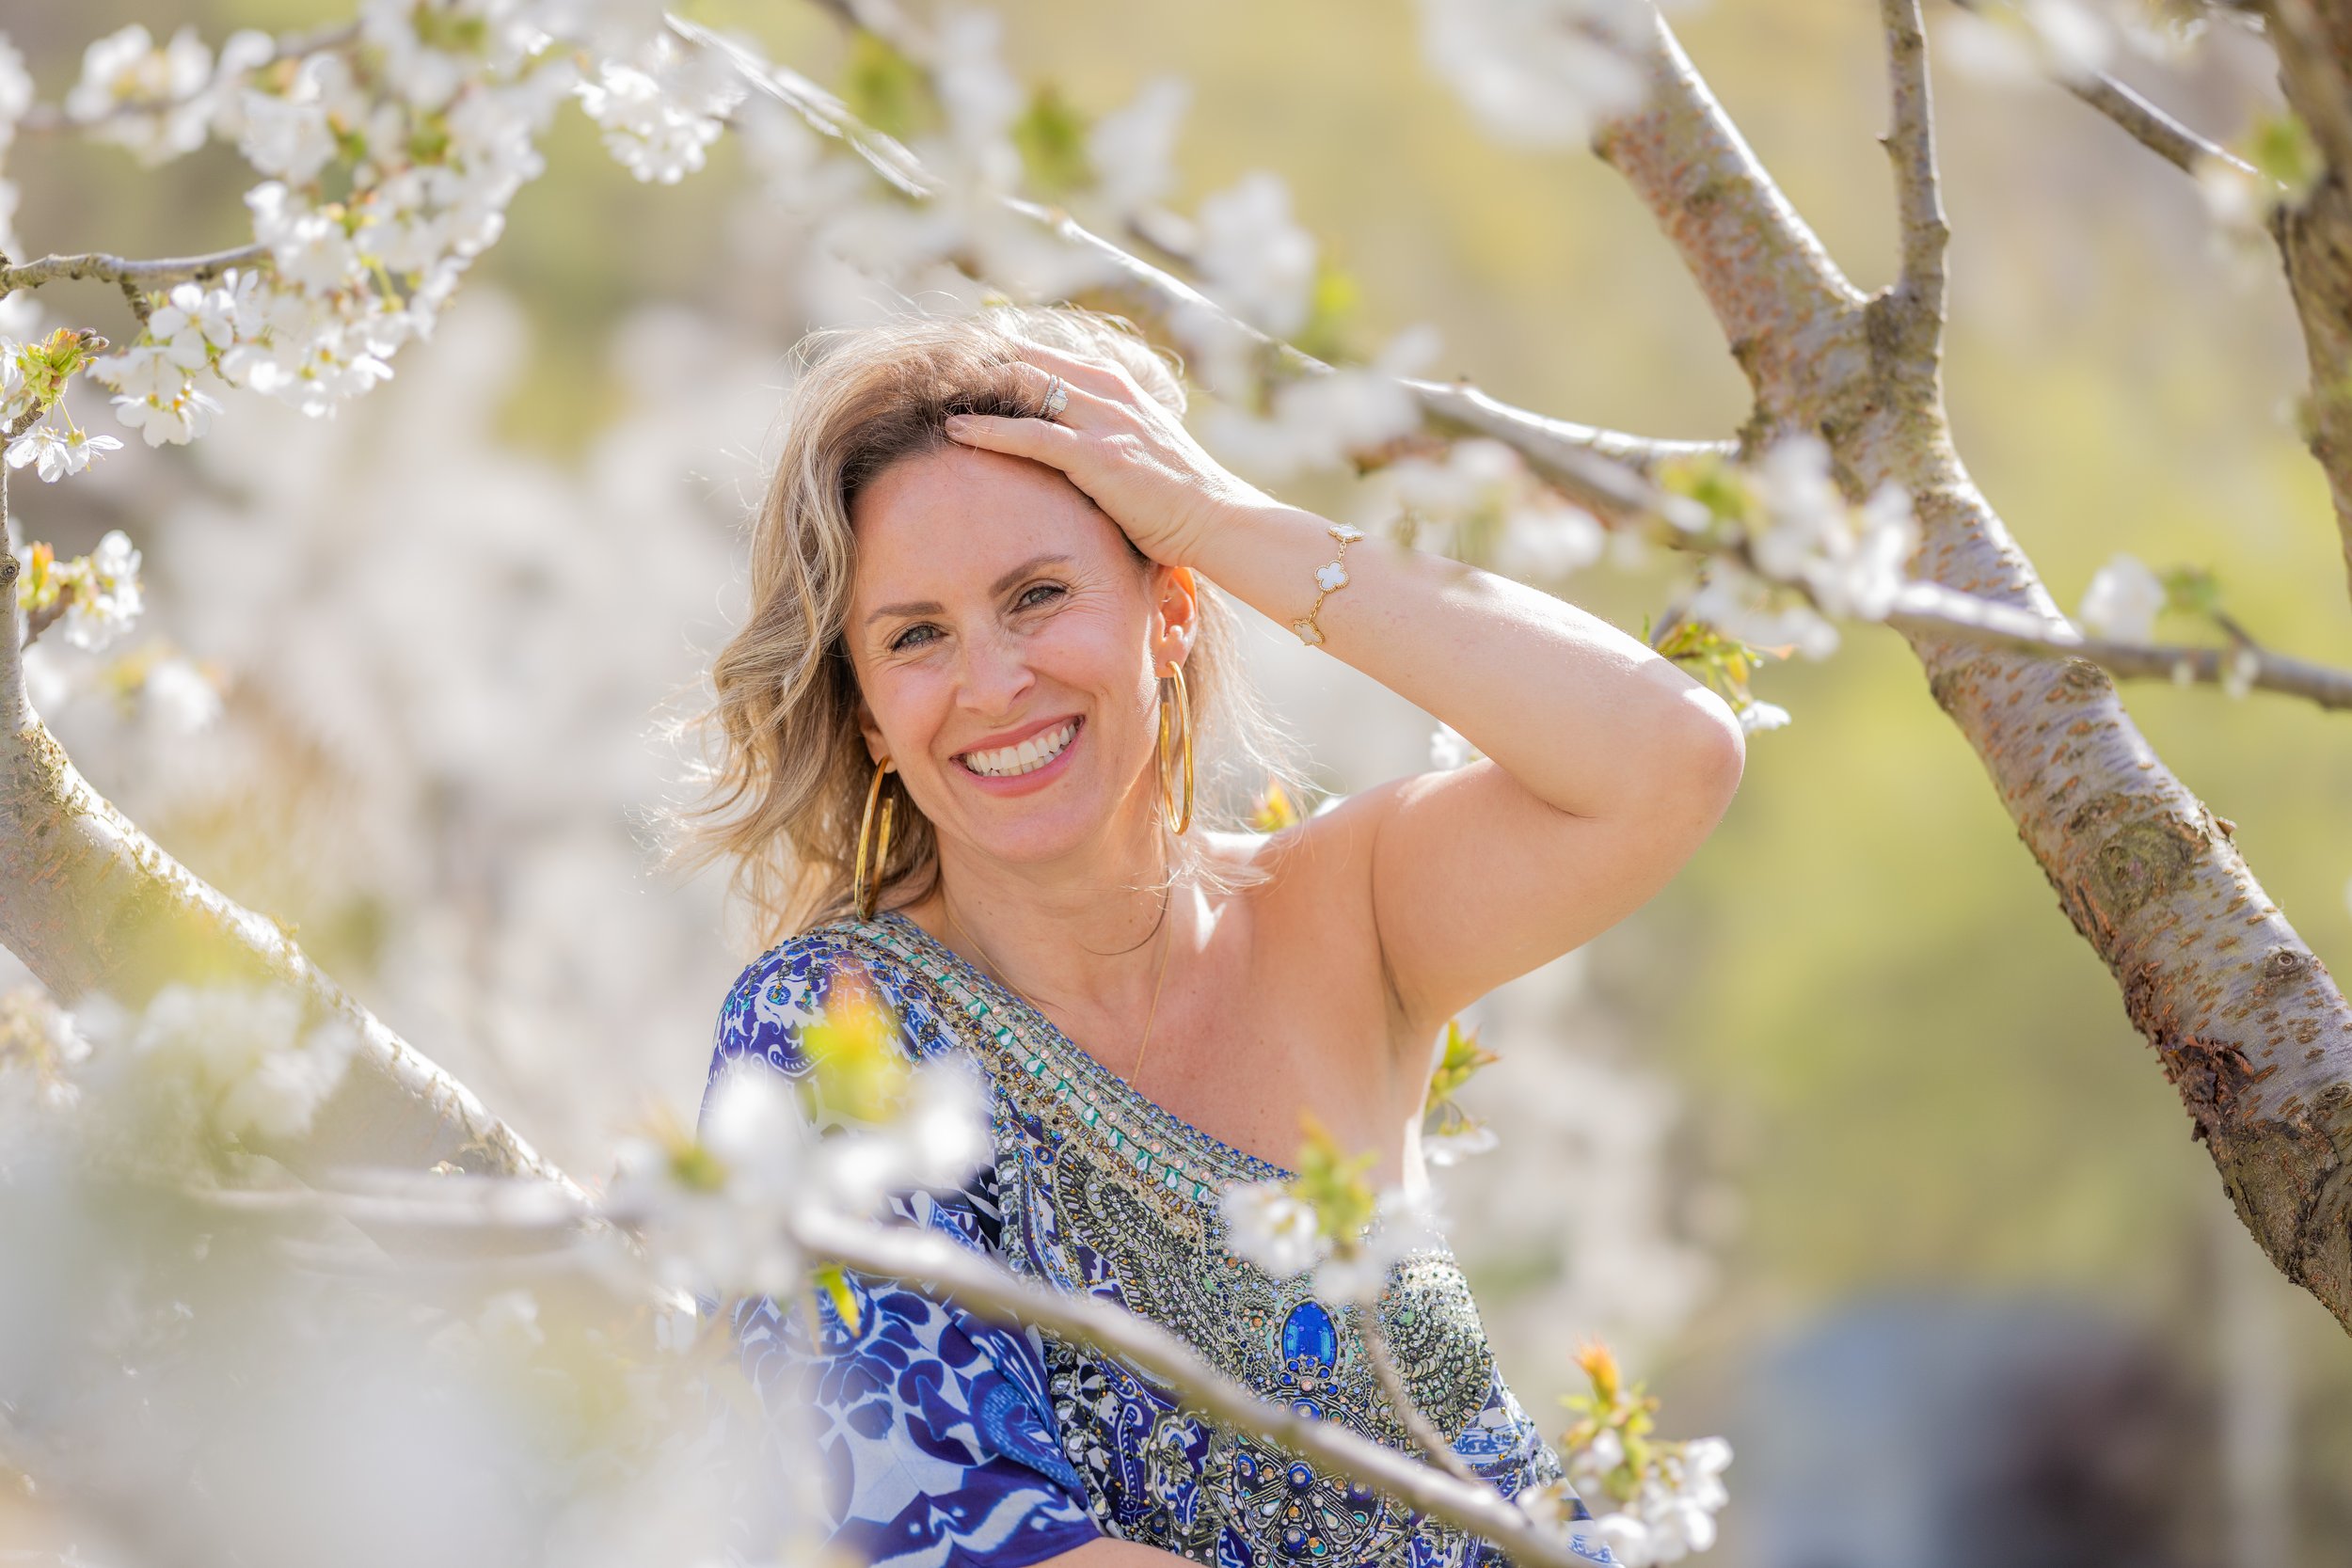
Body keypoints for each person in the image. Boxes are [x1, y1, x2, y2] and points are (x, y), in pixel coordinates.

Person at [673, 302, 1745, 1568]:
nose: (994, 682)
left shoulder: (1348, 911)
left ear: (1170, 611)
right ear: (864, 721)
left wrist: (1220, 516)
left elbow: (1668, 757)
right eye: (917, 636)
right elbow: (945, 1537)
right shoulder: (831, 1028)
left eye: (1038, 596)